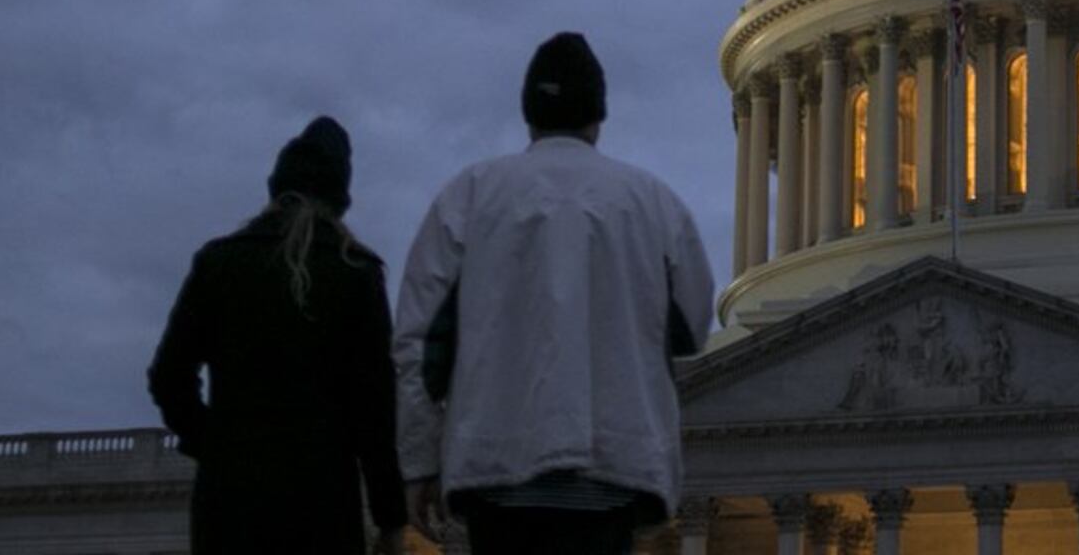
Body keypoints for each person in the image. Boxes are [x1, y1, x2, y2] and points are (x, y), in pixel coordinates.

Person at [390, 32, 717, 555]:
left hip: (498, 474)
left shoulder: (469, 196)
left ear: (529, 114)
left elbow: (417, 349)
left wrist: (419, 463)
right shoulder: (654, 206)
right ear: (598, 116)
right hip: (611, 475)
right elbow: (692, 326)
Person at [149, 118, 408, 555]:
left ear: (276, 188)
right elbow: (375, 414)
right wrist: (391, 518)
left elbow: (168, 376)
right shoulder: (356, 273)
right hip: (321, 500)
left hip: (229, 501)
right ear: (339, 198)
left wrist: (214, 446)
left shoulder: (219, 262)